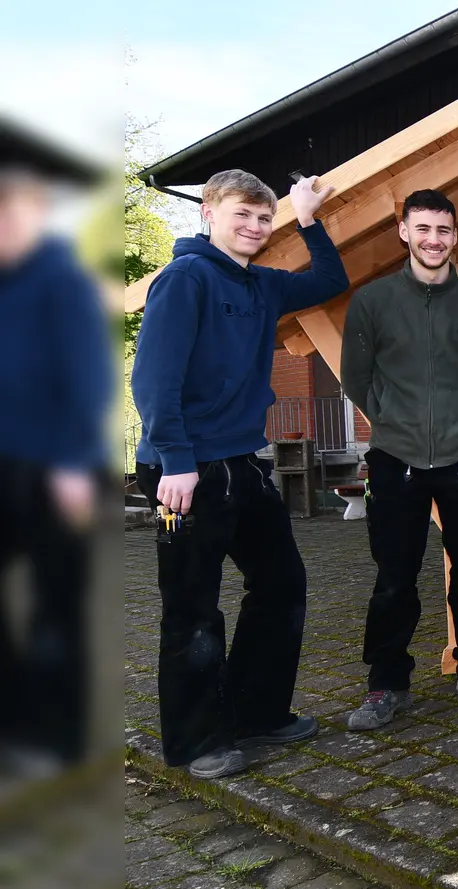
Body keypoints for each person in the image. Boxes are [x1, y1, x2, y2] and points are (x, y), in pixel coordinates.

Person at [131, 169, 348, 778]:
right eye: (242, 215)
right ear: (209, 214)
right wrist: (175, 463)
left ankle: (259, 713)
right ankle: (198, 743)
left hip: (241, 464)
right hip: (182, 472)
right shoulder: (184, 279)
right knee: (192, 608)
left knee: (281, 583)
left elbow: (331, 281)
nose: (254, 227)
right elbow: (152, 381)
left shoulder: (263, 285)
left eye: (263, 218)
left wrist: (307, 217)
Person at [341, 189, 458, 731]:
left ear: (455, 237)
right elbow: (357, 378)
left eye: (443, 230)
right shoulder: (372, 302)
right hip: (396, 459)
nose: (433, 240)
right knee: (395, 575)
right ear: (403, 231)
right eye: (423, 229)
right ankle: (387, 683)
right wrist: (393, 422)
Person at [0, 123, 111, 776]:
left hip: (54, 467)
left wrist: (72, 463)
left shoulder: (61, 280)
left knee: (56, 606)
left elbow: (89, 377)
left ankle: (58, 738)